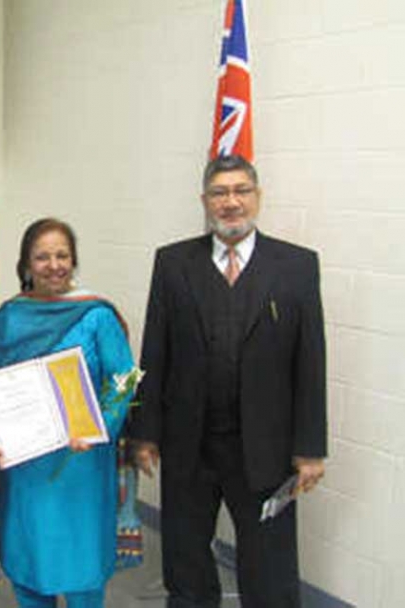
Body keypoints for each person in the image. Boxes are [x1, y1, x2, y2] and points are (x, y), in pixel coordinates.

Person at [129, 155, 327, 608]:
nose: (231, 202)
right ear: (205, 201)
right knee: (186, 564)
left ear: (257, 197)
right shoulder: (173, 263)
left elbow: (310, 362)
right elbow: (155, 353)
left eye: (241, 191)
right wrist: (145, 434)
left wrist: (310, 447)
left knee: (269, 571)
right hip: (189, 445)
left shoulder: (296, 267)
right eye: (220, 193)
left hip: (267, 451)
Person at [0, 218, 143, 608]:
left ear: (74, 260)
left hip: (81, 461)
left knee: (82, 569)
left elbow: (124, 378)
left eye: (62, 255)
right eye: (42, 256)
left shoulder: (96, 315)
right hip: (25, 464)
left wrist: (101, 425)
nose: (54, 264)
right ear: (27, 264)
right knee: (29, 562)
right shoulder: (8, 318)